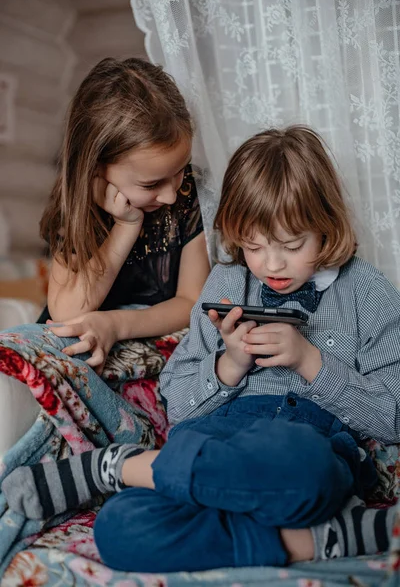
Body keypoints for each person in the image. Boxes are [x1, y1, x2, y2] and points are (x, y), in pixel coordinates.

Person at [3, 127, 399, 572]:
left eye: (291, 246)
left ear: (327, 228)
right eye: (254, 246)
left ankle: (126, 468)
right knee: (120, 527)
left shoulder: (367, 292)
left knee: (308, 471)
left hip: (302, 445)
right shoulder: (228, 281)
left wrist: (311, 362)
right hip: (217, 434)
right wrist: (230, 363)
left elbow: (392, 417)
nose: (271, 264)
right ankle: (318, 538)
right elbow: (178, 408)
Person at [37, 56, 210, 373]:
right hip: (84, 344)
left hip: (145, 338)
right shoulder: (75, 207)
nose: (171, 193)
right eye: (152, 183)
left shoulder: (189, 198)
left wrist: (115, 324)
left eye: (180, 171)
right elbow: (66, 312)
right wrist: (126, 226)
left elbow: (190, 302)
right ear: (97, 167)